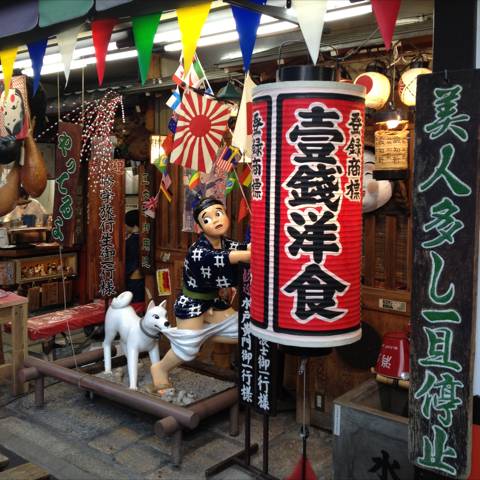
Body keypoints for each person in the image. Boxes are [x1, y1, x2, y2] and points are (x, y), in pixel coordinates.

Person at [150, 197, 251, 392]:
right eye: (207, 219)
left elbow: (242, 248)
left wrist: (253, 247)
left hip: (215, 304)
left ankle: (204, 334)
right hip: (193, 304)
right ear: (200, 227)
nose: (215, 219)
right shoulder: (198, 251)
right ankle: (160, 369)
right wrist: (248, 254)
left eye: (219, 213)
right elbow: (218, 258)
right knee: (186, 351)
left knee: (244, 329)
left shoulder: (225, 242)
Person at [125, 209, 145, 303]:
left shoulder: (132, 241)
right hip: (140, 276)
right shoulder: (143, 238)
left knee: (134, 304)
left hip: (133, 277)